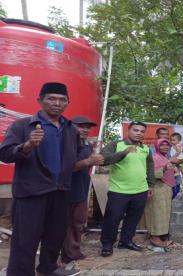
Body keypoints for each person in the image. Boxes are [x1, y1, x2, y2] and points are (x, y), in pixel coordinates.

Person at [0, 83, 82, 276]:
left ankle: (48, 268)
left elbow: (74, 157)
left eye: (62, 100)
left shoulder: (71, 129)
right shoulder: (22, 125)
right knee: (25, 239)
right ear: (40, 100)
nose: (57, 103)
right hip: (31, 192)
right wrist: (27, 145)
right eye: (51, 98)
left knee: (55, 236)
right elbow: (4, 154)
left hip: (60, 190)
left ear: (68, 103)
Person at [99, 121, 155, 257]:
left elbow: (150, 167)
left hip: (140, 190)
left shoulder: (145, 148)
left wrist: (151, 184)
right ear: (128, 131)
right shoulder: (115, 144)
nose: (139, 133)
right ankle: (107, 244)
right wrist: (124, 152)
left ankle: (126, 241)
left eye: (142, 131)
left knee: (133, 218)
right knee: (112, 218)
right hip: (119, 190)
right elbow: (104, 159)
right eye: (136, 130)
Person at [61, 117, 104, 264]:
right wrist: (88, 161)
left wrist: (92, 156)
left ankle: (72, 252)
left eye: (87, 127)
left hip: (80, 188)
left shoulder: (86, 144)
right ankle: (64, 254)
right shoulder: (65, 143)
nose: (85, 129)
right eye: (81, 126)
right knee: (64, 223)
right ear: (70, 127)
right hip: (65, 190)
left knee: (77, 222)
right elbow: (65, 167)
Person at [140, 138, 176, 248]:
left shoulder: (164, 157)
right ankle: (155, 238)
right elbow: (150, 174)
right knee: (156, 214)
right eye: (162, 145)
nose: (165, 147)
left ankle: (158, 235)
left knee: (163, 214)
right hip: (156, 189)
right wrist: (164, 169)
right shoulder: (154, 158)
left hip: (165, 189)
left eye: (167, 145)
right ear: (156, 147)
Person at [169, 132, 183, 198]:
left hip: (178, 158)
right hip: (176, 160)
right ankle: (178, 173)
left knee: (174, 166)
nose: (172, 141)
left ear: (179, 141)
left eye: (174, 140)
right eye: (171, 140)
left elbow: (179, 153)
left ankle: (177, 173)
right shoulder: (172, 146)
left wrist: (171, 158)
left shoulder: (178, 146)